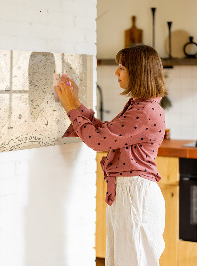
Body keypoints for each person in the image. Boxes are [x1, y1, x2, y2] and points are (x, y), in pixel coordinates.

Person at [55, 44, 167, 266]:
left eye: (122, 67)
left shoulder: (144, 111)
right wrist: (76, 103)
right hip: (130, 193)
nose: (116, 72)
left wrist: (70, 108)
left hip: (135, 195)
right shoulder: (140, 106)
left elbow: (98, 141)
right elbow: (106, 133)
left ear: (138, 72)